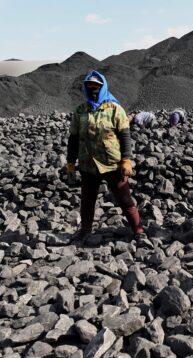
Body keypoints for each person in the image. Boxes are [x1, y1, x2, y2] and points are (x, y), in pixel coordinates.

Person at [66, 70, 145, 243]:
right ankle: (85, 230)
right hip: (88, 164)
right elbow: (73, 138)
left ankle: (138, 230)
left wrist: (126, 159)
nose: (93, 88)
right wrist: (70, 163)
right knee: (87, 200)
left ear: (102, 87)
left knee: (124, 199)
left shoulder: (115, 109)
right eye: (89, 85)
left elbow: (124, 135)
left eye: (96, 85)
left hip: (112, 164)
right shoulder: (80, 111)